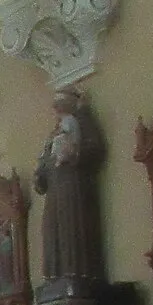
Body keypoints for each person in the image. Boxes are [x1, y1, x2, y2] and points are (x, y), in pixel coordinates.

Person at [33, 89, 108, 289]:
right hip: (55, 190)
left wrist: (73, 156)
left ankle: (76, 274)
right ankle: (55, 278)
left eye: (60, 103)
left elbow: (94, 149)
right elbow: (44, 160)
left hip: (72, 185)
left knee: (71, 227)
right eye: (55, 104)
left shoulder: (82, 123)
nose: (55, 108)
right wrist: (40, 173)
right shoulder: (54, 133)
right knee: (52, 230)